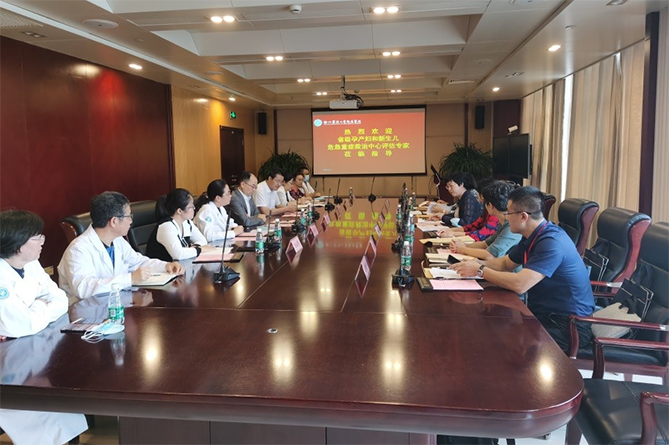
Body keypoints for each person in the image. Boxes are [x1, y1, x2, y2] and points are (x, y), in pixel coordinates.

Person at [451, 186, 595, 353]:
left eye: (509, 213)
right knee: (490, 328)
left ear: (523, 216)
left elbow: (521, 285)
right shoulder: (534, 235)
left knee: (494, 338)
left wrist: (480, 270)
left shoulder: (551, 242)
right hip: (543, 313)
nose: (506, 217)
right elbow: (505, 264)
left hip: (568, 326)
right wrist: (473, 263)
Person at [0, 209, 88, 445]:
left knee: (62, 406)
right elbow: (20, 325)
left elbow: (60, 300)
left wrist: (34, 309)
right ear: (18, 244)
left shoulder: (31, 264)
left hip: (25, 349)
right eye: (37, 237)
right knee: (40, 410)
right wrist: (40, 306)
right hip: (6, 367)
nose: (42, 241)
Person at [59, 192, 184, 302]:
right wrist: (130, 279)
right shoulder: (78, 249)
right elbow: (84, 289)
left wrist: (165, 266)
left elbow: (138, 262)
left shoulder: (117, 240)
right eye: (129, 216)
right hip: (85, 314)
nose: (131, 221)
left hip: (115, 305)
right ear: (114, 221)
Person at [448, 181, 521, 260]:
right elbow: (485, 244)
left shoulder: (511, 225)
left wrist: (463, 249)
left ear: (490, 205)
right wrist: (462, 246)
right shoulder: (503, 221)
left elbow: (490, 255)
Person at [147, 188, 210, 262]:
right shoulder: (166, 226)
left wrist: (195, 247)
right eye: (191, 207)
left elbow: (203, 241)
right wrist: (199, 249)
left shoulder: (186, 222)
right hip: (162, 267)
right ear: (179, 211)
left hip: (180, 264)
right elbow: (178, 254)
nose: (194, 208)